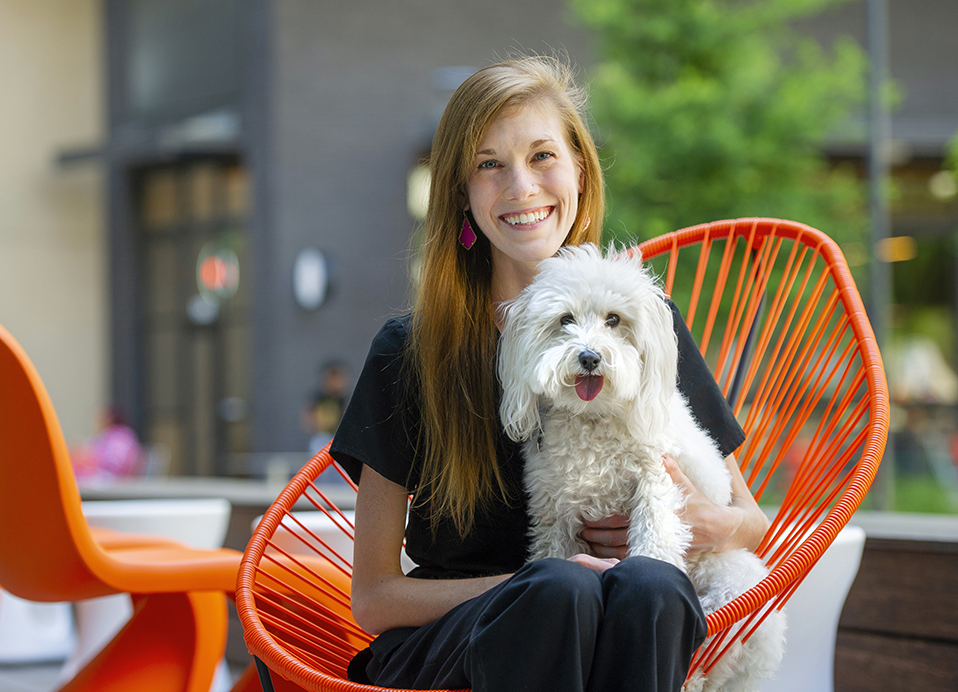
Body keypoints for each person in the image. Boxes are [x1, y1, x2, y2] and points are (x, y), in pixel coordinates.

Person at [329, 55, 769, 692]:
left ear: (580, 175)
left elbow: (753, 520)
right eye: (489, 164)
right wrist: (534, 584)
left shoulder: (642, 323)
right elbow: (371, 599)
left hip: (615, 641)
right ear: (460, 192)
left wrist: (704, 522)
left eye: (542, 156)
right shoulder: (412, 352)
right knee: (561, 590)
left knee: (653, 583)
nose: (521, 187)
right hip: (461, 649)